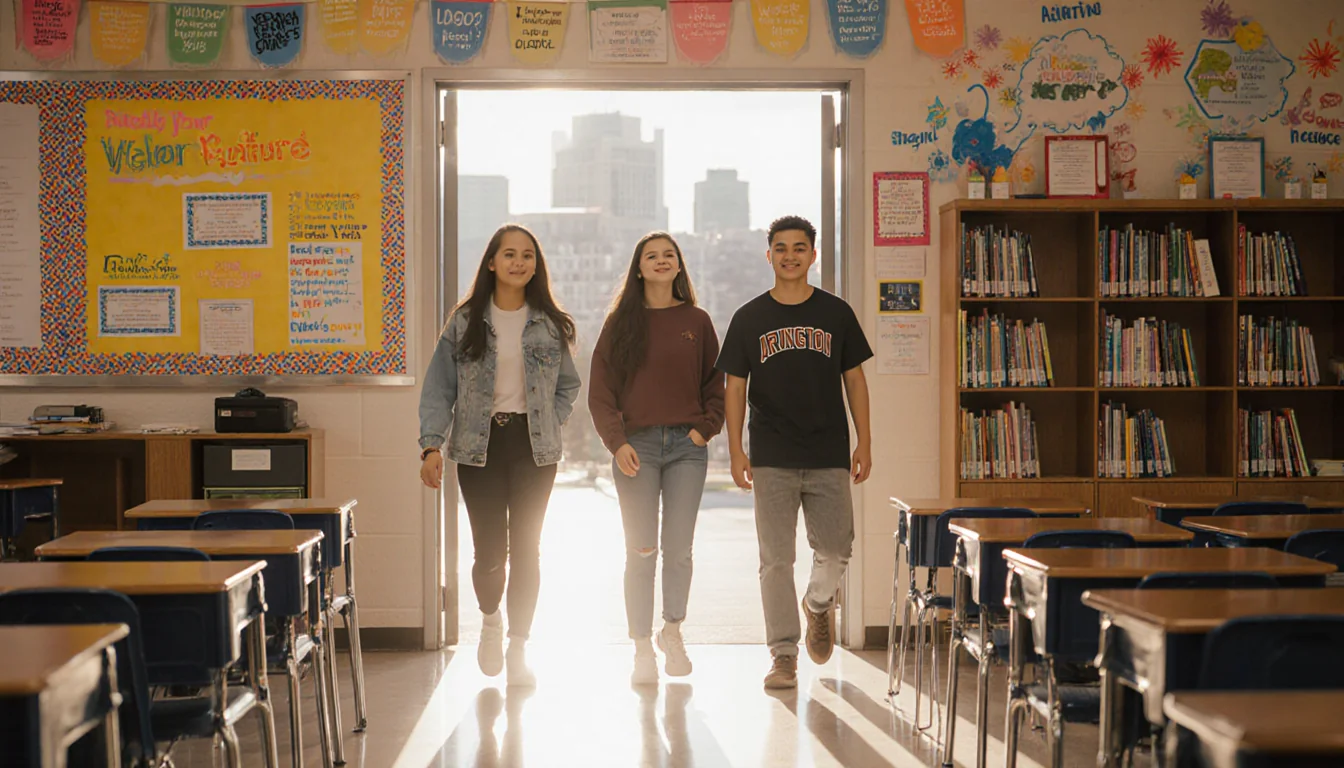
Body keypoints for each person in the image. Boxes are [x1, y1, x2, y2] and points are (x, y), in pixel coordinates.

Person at [715, 215, 873, 690]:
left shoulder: (836, 313)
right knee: (775, 560)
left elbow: (855, 380)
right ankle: (783, 654)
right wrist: (736, 449)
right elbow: (734, 387)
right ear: (769, 255)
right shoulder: (749, 318)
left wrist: (866, 438)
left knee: (836, 548)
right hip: (771, 453)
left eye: (799, 247)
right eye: (780, 248)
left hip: (828, 449)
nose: (789, 255)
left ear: (813, 254)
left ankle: (818, 604)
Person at [419, 223, 581, 687]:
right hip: (477, 446)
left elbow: (569, 385)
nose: (518, 262)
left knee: (527, 549)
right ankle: (491, 622)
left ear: (536, 265)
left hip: (534, 447)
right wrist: (431, 444)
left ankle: (519, 647)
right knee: (490, 553)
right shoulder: (466, 321)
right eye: (509, 254)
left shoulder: (549, 323)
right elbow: (438, 390)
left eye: (527, 255)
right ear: (492, 262)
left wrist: (550, 419)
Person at [589, 232, 725, 686]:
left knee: (680, 549)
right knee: (642, 549)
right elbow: (600, 392)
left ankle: (672, 630)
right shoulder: (619, 324)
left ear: (679, 266)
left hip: (688, 448)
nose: (662, 261)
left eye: (669, 255)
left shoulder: (698, 321)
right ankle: (641, 648)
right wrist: (617, 442)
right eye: (652, 256)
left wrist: (704, 430)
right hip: (637, 448)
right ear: (639, 268)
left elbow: (715, 386)